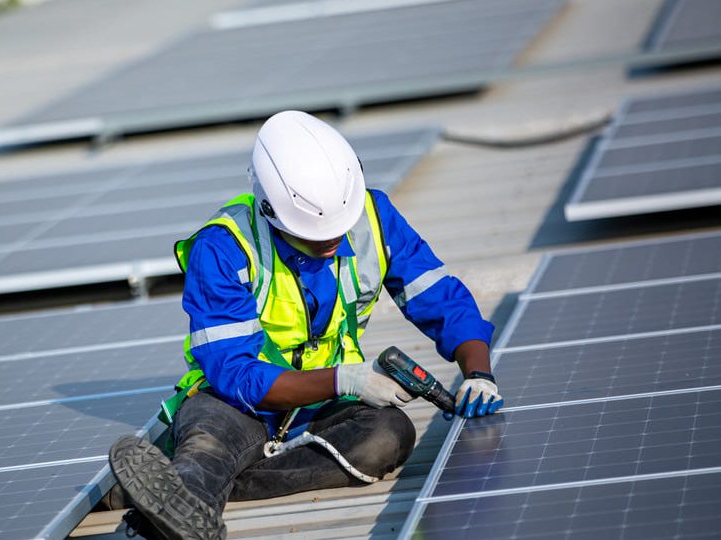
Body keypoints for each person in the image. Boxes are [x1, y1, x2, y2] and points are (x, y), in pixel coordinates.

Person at [108, 110, 503, 540]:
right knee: (208, 443)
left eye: (339, 225)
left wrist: (478, 372)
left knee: (387, 436)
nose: (332, 239)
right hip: (236, 402)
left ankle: (182, 496)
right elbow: (234, 372)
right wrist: (346, 379)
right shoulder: (223, 247)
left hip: (326, 405)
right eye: (314, 232)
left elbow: (439, 296)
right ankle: (189, 498)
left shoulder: (373, 216)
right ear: (269, 209)